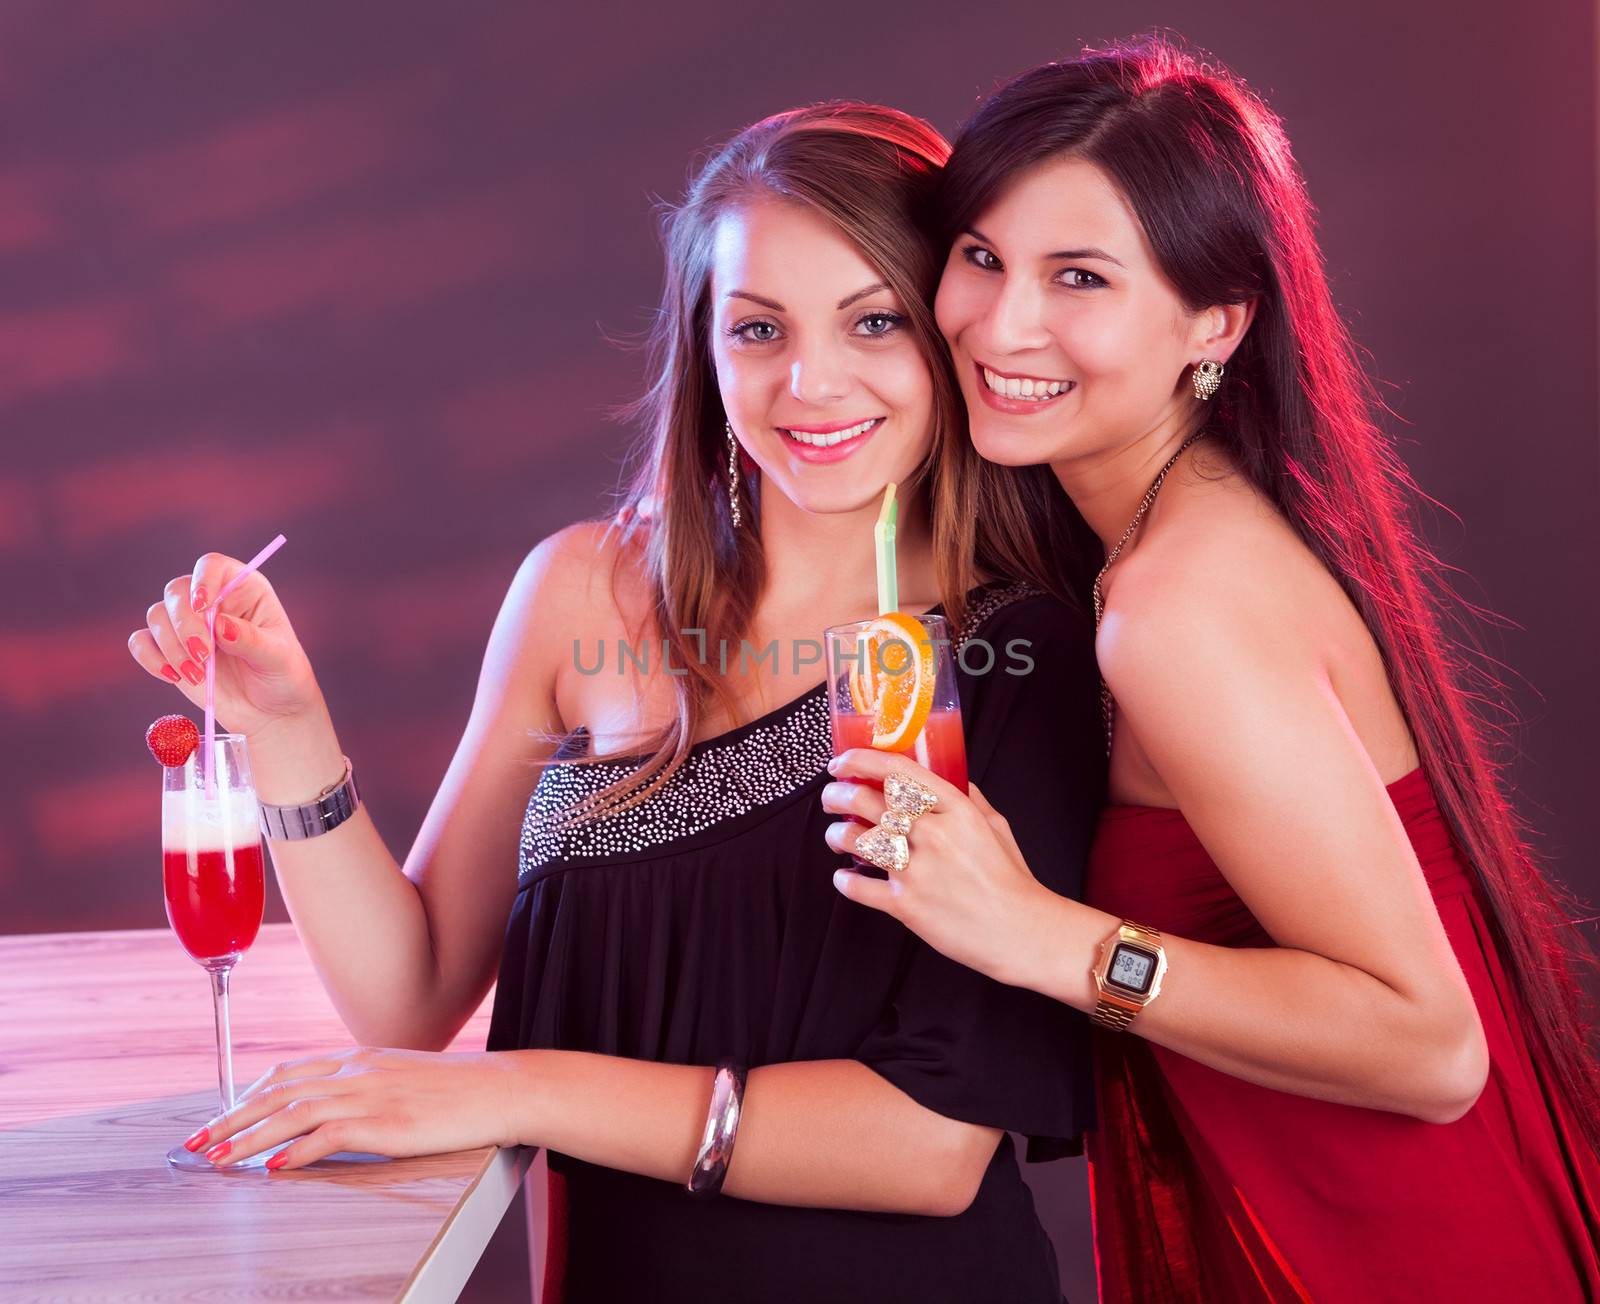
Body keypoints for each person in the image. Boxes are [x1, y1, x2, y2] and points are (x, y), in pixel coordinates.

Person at [126, 104, 1106, 1302]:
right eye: (757, 328)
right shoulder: (579, 591)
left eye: (874, 320)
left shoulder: (1014, 652)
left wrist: (523, 1084)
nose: (811, 381)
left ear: (948, 332)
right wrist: (284, 723)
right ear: (703, 345)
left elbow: (929, 1145)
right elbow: (409, 993)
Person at [822, 39, 1600, 1301]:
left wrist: (1047, 937)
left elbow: (1429, 1042)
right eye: (980, 255)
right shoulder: (1166, 532)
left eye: (1078, 276)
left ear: (1216, 323)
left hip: (1386, 1247)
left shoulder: (1176, 605)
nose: (999, 322)